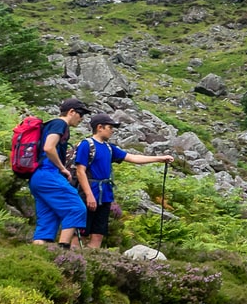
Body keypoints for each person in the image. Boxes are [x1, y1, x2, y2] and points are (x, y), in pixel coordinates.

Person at [72, 115, 175, 249]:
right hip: (90, 192)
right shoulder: (86, 145)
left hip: (105, 195)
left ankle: (89, 259)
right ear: (99, 127)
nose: (112, 131)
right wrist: (89, 194)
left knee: (98, 233)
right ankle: (73, 257)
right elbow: (80, 171)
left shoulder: (109, 148)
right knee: (81, 232)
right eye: (110, 127)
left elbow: (132, 157)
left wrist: (160, 159)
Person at [29, 99, 91, 248]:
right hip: (48, 174)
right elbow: (49, 148)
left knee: (47, 221)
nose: (81, 118)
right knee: (76, 208)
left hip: (37, 177)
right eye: (80, 114)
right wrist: (62, 168)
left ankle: (39, 255)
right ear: (71, 112)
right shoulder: (60, 124)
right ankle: (63, 250)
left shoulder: (49, 125)